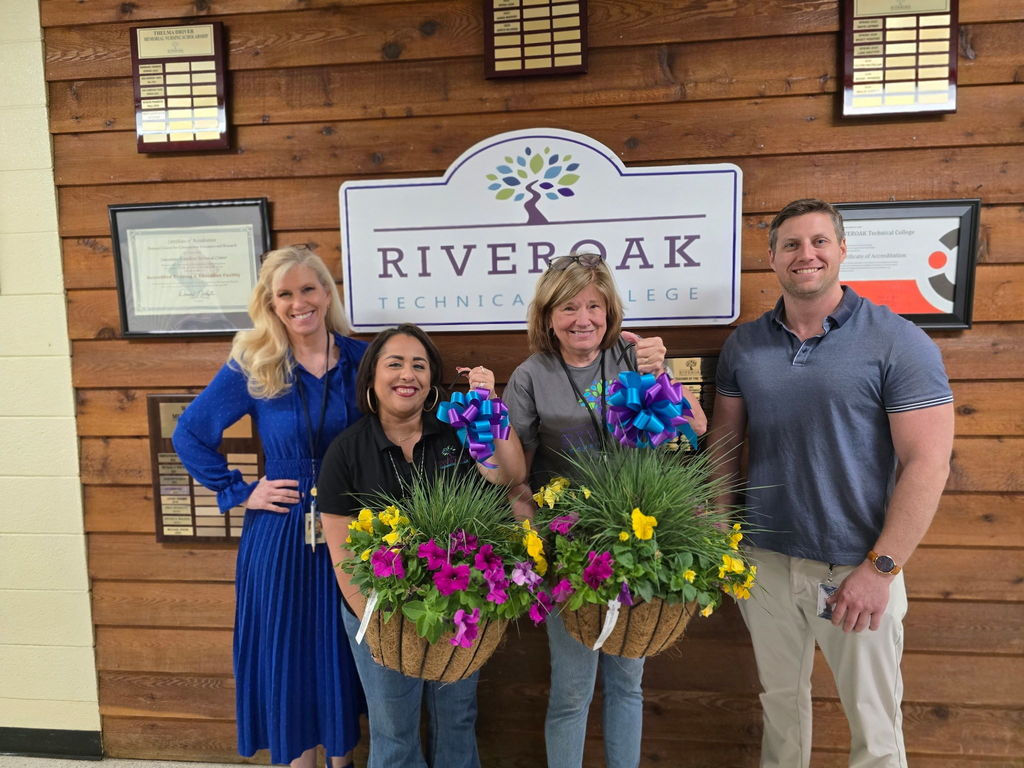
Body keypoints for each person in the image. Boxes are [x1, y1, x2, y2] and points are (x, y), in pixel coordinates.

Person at [708, 198, 954, 767]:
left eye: (819, 241)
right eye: (791, 244)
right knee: (780, 709)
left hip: (855, 568)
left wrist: (881, 568)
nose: (806, 254)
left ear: (841, 250)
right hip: (763, 563)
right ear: (772, 257)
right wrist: (720, 535)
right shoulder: (745, 346)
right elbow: (724, 447)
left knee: (874, 724)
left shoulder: (897, 340)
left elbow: (928, 463)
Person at [502, 253, 708, 768]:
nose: (583, 319)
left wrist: (661, 374)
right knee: (572, 690)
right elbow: (517, 477)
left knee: (627, 682)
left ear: (610, 310)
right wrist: (534, 548)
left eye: (594, 305)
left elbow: (696, 427)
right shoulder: (530, 376)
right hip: (568, 546)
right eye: (568, 307)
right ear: (548, 316)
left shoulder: (633, 356)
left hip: (639, 538)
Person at [172, 246, 366, 767]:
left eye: (308, 289)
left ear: (326, 293)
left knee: (342, 649)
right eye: (285, 294)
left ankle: (342, 762)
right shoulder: (255, 363)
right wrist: (240, 490)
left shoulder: (361, 359)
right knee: (290, 652)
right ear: (271, 303)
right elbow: (189, 433)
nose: (299, 302)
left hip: (351, 525)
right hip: (281, 530)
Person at [317, 323, 526, 768]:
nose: (407, 374)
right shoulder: (346, 451)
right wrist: (378, 622)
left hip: (459, 607)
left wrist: (489, 408)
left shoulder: (456, 432)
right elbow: (342, 551)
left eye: (419, 365)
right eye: (394, 364)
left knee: (457, 719)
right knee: (393, 731)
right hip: (378, 611)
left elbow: (509, 476)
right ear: (372, 376)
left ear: (432, 380)